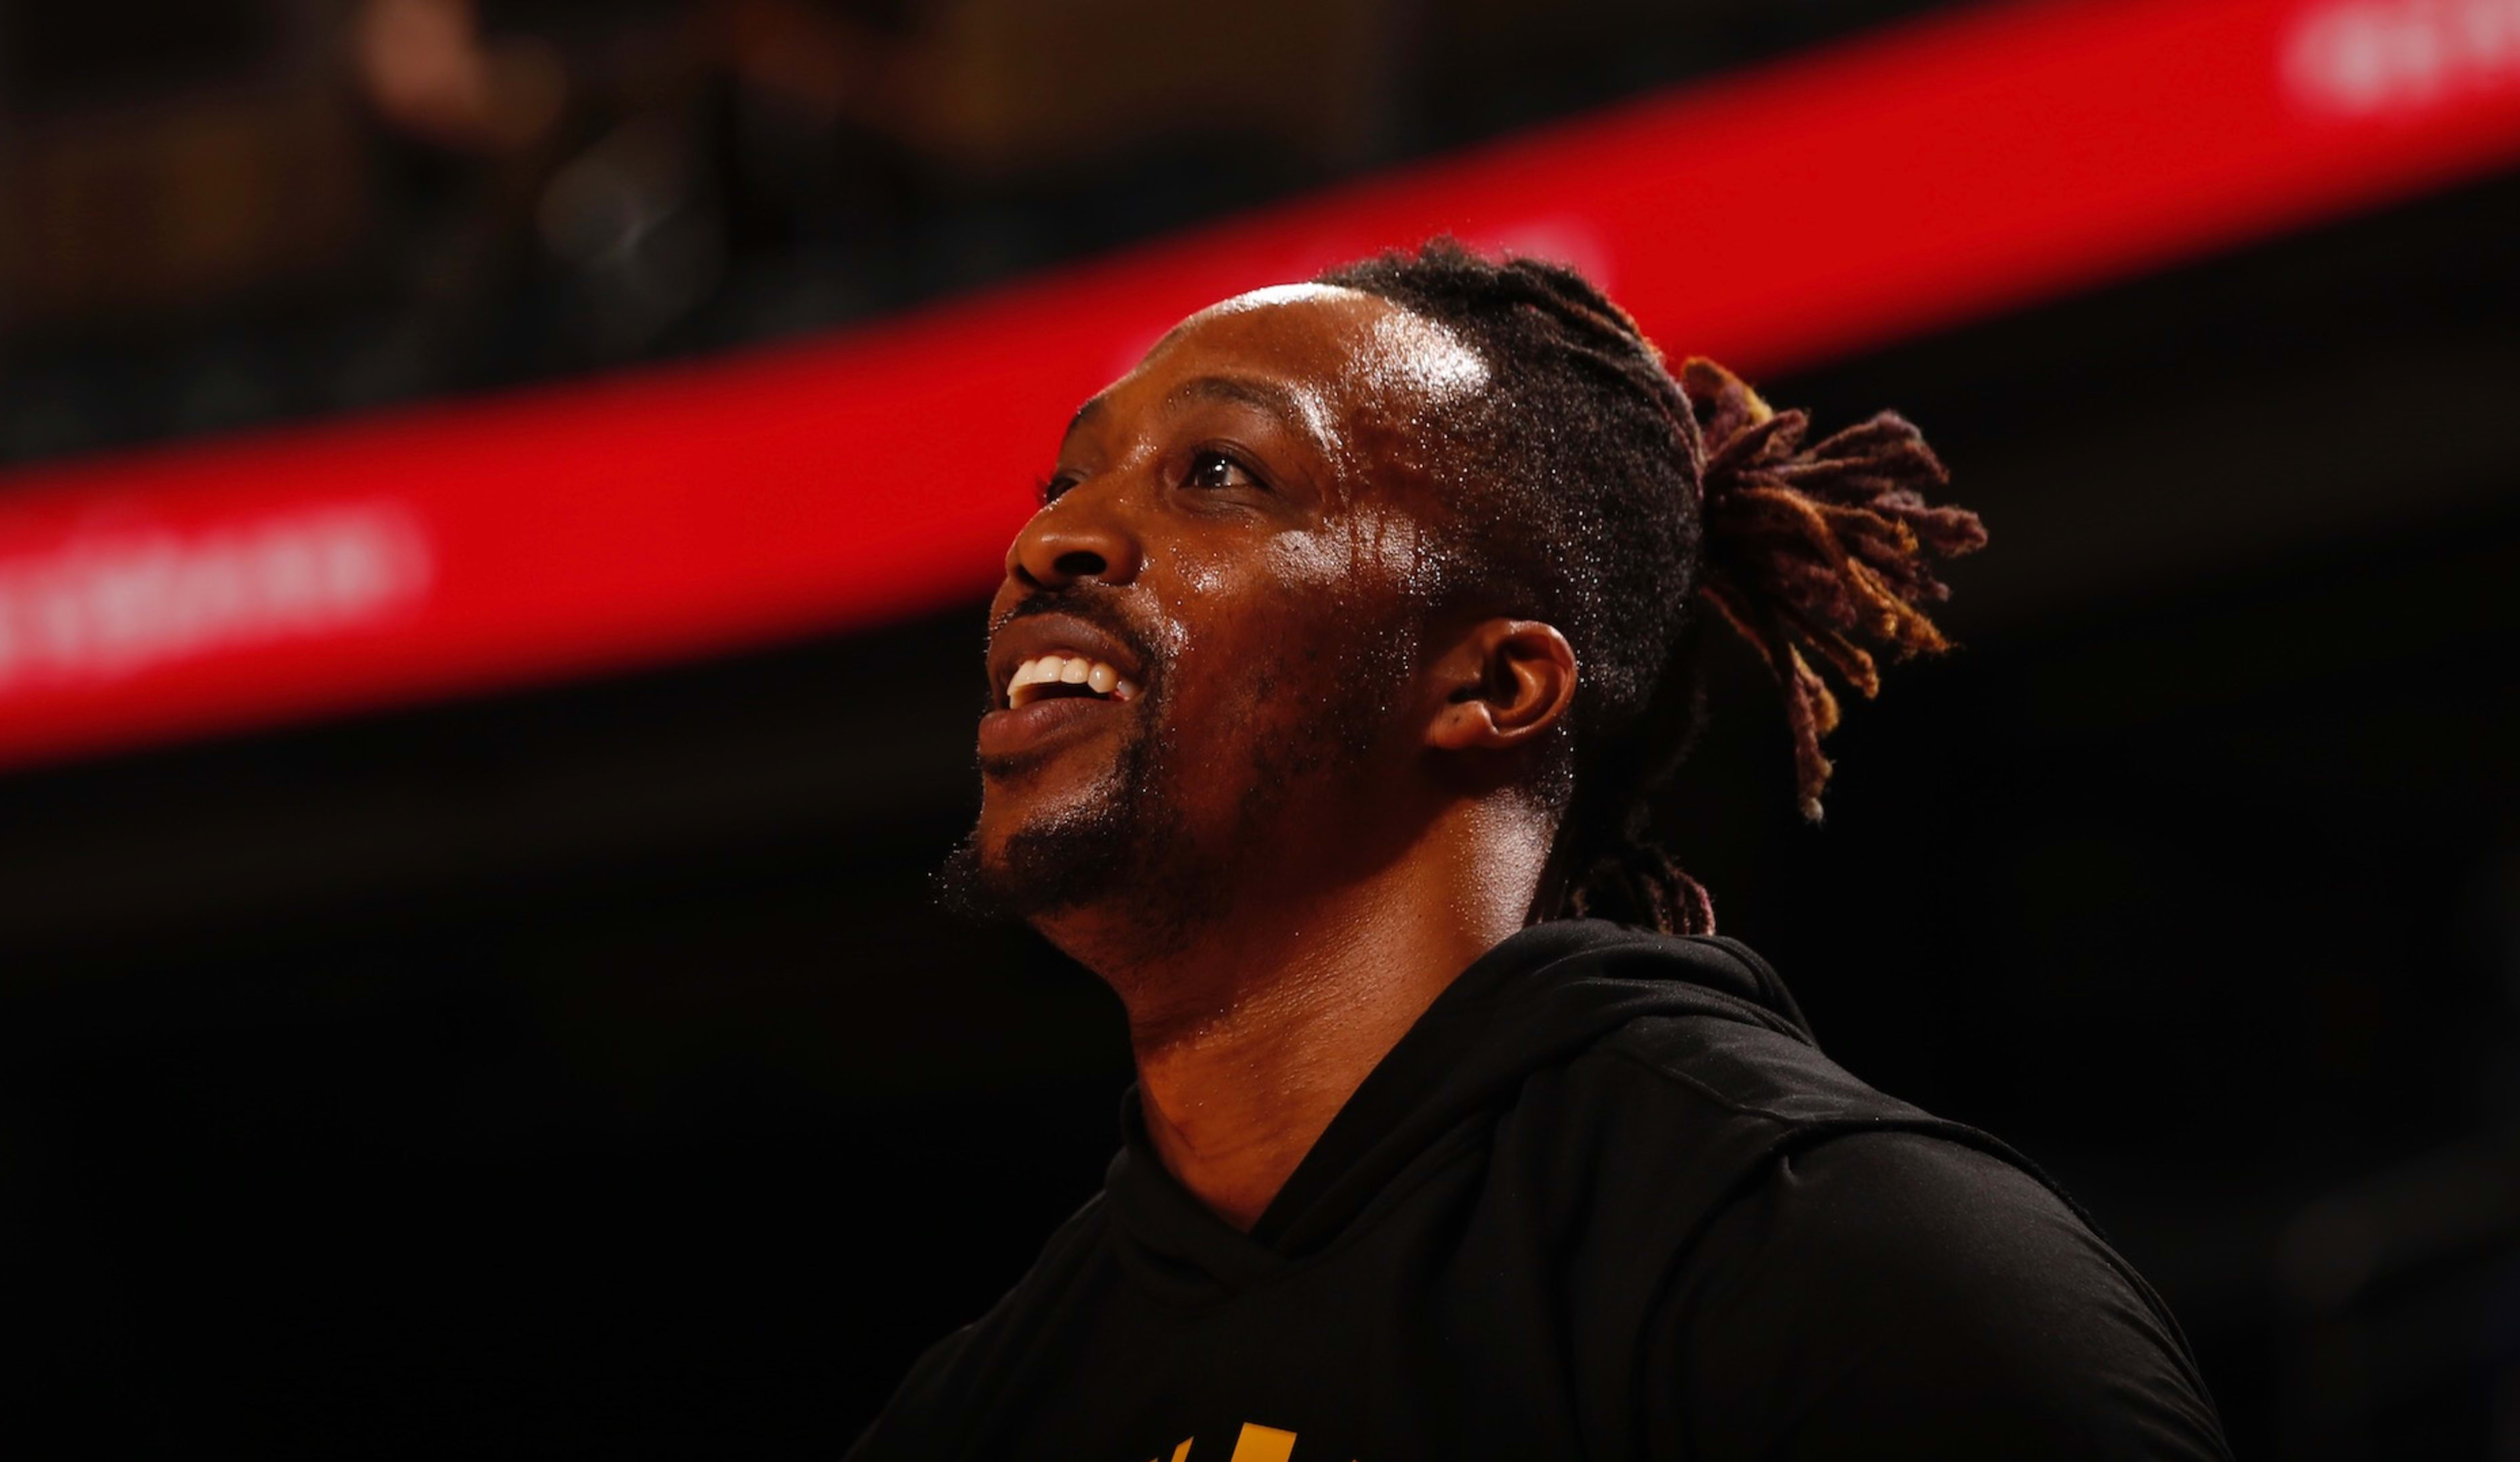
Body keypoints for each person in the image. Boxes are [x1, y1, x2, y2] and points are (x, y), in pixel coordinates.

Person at [852, 241, 2232, 1460]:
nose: (1053, 539)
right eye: (1064, 480)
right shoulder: (976, 1403)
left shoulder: (1850, 1270)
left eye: (1219, 473)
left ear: (1493, 687)